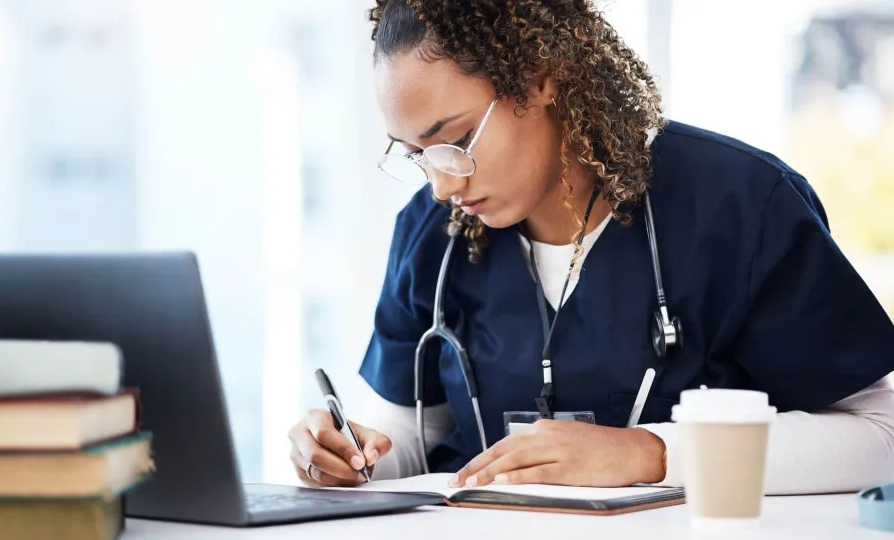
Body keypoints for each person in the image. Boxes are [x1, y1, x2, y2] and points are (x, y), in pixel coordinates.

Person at [288, 0, 894, 494]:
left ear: (540, 76)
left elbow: (879, 436)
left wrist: (646, 454)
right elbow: (408, 437)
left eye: (453, 139)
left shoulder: (739, 204)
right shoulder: (430, 233)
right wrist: (347, 453)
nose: (443, 184)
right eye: (416, 154)